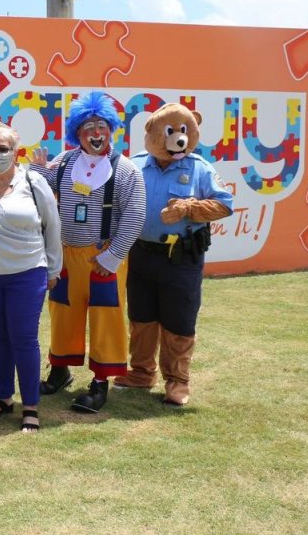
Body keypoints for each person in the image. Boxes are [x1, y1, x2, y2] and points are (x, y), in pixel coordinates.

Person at [29, 92, 146, 413]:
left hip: (103, 257)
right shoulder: (66, 161)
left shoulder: (126, 171)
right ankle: (61, 369)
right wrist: (37, 169)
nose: (95, 133)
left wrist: (113, 256)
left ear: (111, 129)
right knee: (63, 311)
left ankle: (100, 381)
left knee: (105, 317)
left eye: (101, 126)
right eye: (87, 128)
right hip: (67, 254)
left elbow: (135, 215)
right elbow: (42, 182)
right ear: (76, 134)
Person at [115, 103, 233, 406]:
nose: (177, 138)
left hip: (181, 258)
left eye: (183, 131)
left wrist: (190, 208)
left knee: (179, 321)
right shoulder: (135, 164)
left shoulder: (199, 168)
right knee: (141, 317)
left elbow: (224, 204)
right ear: (153, 133)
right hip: (141, 254)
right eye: (169, 131)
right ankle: (141, 372)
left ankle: (178, 381)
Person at [0, 126, 62, 433]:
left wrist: (53, 269)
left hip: (27, 273)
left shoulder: (34, 182)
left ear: (16, 151)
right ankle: (4, 398)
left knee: (24, 339)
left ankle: (30, 405)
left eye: (3, 148)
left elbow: (52, 226)